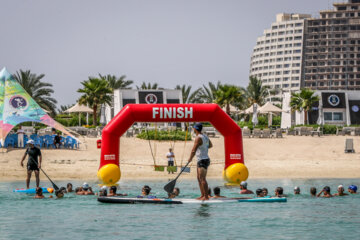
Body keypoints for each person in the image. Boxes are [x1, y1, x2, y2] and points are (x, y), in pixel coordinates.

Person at [187, 123, 213, 201]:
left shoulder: (198, 138)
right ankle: (202, 195)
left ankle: (206, 197)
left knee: (202, 179)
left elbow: (193, 150)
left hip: (203, 160)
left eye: (194, 128)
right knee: (198, 178)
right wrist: (204, 147)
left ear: (195, 129)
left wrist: (190, 158)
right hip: (202, 159)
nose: (193, 129)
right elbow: (211, 145)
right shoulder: (205, 136)